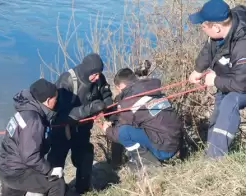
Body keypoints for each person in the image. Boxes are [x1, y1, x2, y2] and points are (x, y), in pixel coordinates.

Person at [48, 53, 113, 195]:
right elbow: (60, 114)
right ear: (87, 71)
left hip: (82, 129)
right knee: (56, 165)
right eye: (94, 74)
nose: (97, 77)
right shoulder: (67, 81)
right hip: (62, 131)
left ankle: (82, 192)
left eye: (99, 74)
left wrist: (108, 105)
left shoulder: (99, 79)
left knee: (85, 157)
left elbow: (106, 94)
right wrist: (90, 108)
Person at [188, 0, 246, 158]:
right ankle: (211, 151)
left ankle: (215, 159)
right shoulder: (220, 33)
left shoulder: (242, 44)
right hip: (230, 78)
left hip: (242, 84)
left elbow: (241, 84)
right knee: (218, 113)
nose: (201, 28)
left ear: (216, 27)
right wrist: (198, 70)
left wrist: (214, 80)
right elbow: (209, 48)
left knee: (230, 102)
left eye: (203, 26)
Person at [100, 65, 183, 173]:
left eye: (118, 90)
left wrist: (107, 130)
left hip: (164, 149)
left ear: (121, 86)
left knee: (123, 132)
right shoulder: (152, 89)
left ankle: (148, 164)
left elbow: (119, 131)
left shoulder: (130, 101)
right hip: (177, 142)